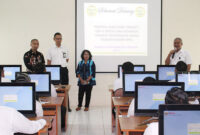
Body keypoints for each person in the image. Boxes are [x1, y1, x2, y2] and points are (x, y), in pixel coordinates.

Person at [33, 63, 66, 129]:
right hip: (47, 107)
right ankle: (61, 126)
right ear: (45, 70)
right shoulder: (49, 84)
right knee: (63, 108)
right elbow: (54, 96)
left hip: (35, 108)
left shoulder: (30, 81)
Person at [47, 32, 71, 112]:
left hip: (63, 69)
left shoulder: (65, 49)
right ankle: (56, 105)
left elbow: (66, 59)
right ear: (54, 39)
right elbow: (49, 61)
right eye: (57, 38)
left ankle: (67, 106)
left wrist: (62, 65)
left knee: (65, 88)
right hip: (54, 71)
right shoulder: (50, 49)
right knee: (55, 88)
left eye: (60, 38)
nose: (59, 40)